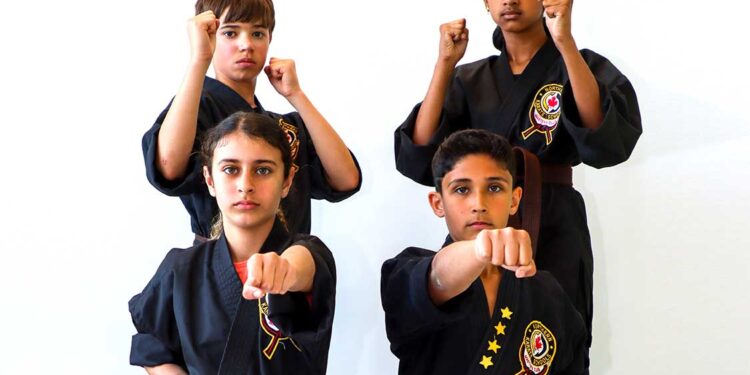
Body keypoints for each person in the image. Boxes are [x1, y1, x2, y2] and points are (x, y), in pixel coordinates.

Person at [394, 0, 643, 341]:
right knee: (470, 334)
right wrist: (445, 64)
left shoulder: (580, 64)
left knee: (554, 333)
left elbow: (604, 137)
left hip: (554, 219)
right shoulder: (470, 77)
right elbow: (420, 154)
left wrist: (565, 43)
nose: (509, 1)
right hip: (481, 222)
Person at [130, 112, 336, 374]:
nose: (245, 185)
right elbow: (153, 346)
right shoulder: (181, 268)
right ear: (209, 180)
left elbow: (300, 266)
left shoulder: (309, 255)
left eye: (263, 170)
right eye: (230, 169)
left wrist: (282, 270)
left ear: (287, 180)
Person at [143, 0, 361, 240]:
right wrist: (199, 60)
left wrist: (296, 95)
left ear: (269, 39)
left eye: (258, 33)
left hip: (290, 265)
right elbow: (168, 166)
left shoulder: (286, 127)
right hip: (218, 265)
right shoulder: (196, 110)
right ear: (208, 35)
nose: (246, 45)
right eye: (230, 32)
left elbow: (346, 179)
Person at [382, 129, 588, 374]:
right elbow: (437, 278)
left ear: (514, 200)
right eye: (461, 190)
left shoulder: (547, 293)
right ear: (438, 203)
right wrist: (481, 249)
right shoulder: (404, 273)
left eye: (494, 188)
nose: (479, 204)